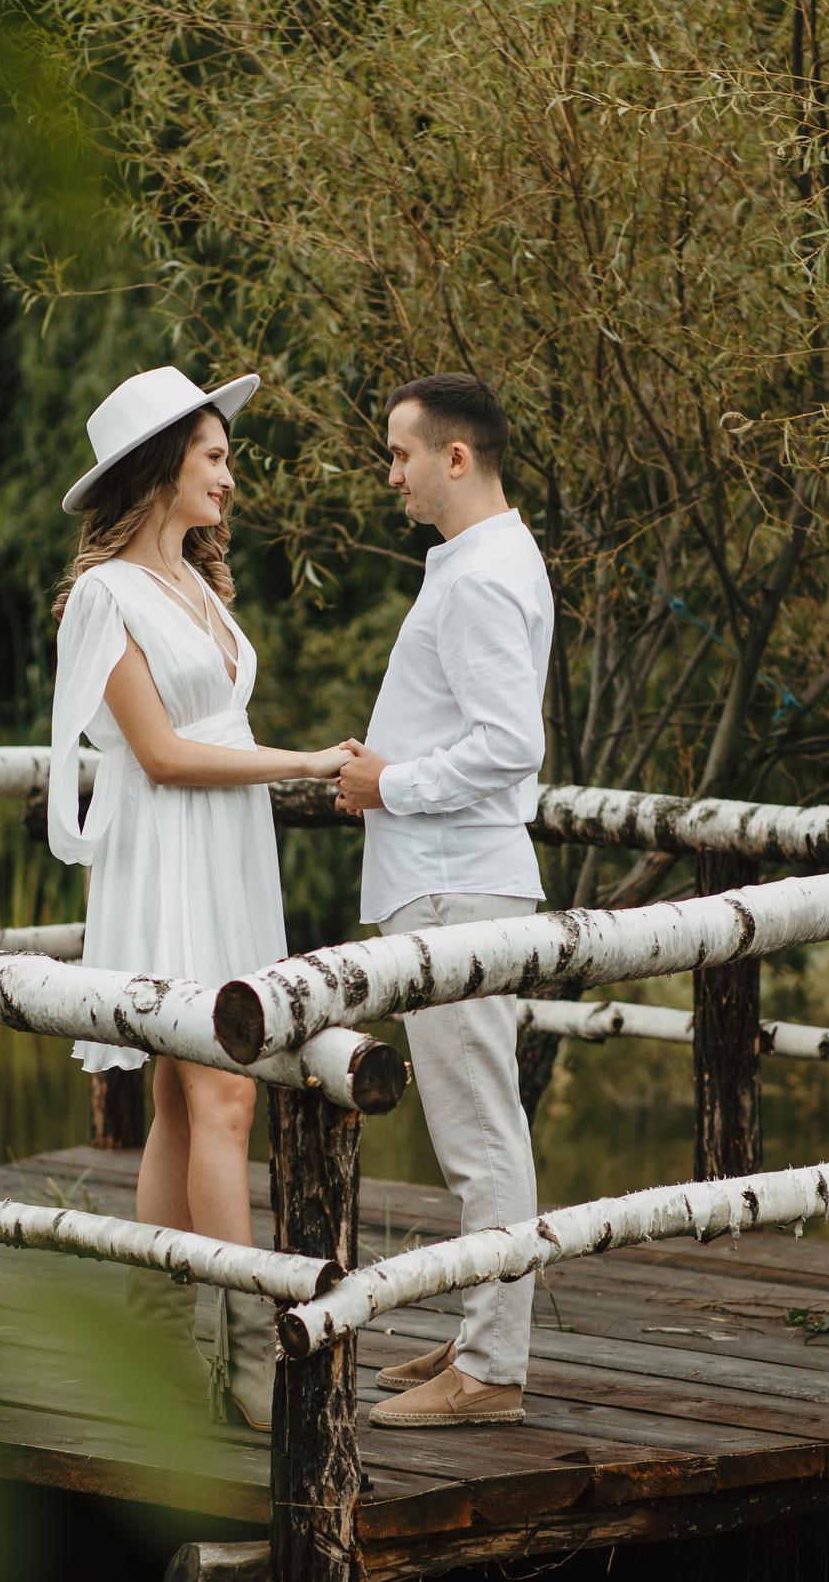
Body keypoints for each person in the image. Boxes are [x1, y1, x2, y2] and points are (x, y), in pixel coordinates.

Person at [45, 364, 350, 1431]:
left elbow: (205, 738)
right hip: (169, 856)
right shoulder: (105, 596)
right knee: (223, 1096)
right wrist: (307, 762)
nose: (230, 475)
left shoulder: (198, 586)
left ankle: (159, 1347)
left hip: (229, 854)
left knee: (190, 1103)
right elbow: (164, 756)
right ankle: (249, 1355)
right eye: (215, 456)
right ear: (162, 466)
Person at [333, 372, 554, 1429]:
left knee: (480, 1136)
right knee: (476, 1126)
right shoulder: (484, 559)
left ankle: (491, 1376)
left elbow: (512, 745)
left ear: (453, 457)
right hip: (453, 880)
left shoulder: (478, 575)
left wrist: (391, 784)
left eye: (400, 455)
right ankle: (479, 1332)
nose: (393, 474)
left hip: (459, 885)